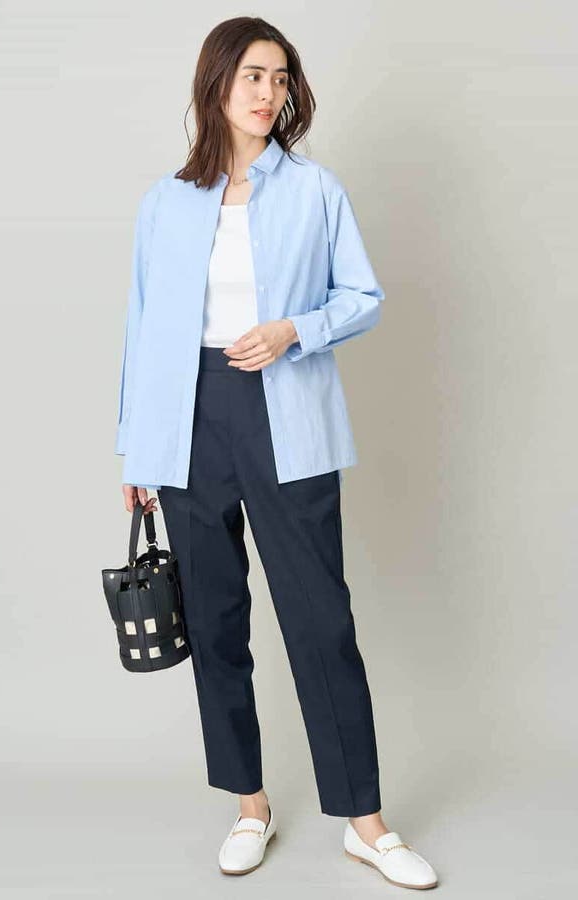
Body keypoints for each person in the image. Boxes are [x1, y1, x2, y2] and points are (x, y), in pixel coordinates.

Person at [115, 16, 439, 890]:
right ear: (217, 81)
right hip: (187, 422)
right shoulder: (165, 202)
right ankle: (249, 806)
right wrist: (137, 451)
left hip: (287, 414)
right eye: (254, 75)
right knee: (215, 620)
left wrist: (295, 329)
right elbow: (143, 330)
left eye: (281, 78)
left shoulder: (314, 191)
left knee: (320, 620)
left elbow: (362, 296)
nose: (269, 93)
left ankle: (365, 825)